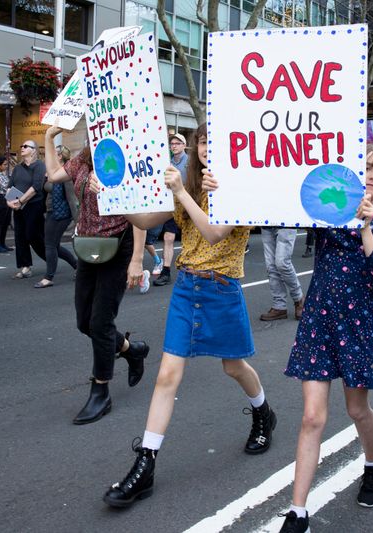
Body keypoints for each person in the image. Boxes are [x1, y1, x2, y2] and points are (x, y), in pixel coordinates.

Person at [102, 123, 277, 508]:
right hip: (187, 287)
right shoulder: (188, 185)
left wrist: (181, 190)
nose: (205, 147)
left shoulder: (243, 188)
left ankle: (264, 412)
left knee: (234, 367)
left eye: (214, 141)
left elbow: (215, 232)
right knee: (167, 375)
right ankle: (145, 464)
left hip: (222, 288)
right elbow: (149, 222)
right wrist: (115, 198)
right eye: (201, 141)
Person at [278, 143, 373, 533]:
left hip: (358, 323)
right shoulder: (327, 212)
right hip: (319, 318)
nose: (371, 177)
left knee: (356, 410)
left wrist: (364, 225)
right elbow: (286, 203)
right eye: (366, 168)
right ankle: (298, 512)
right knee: (312, 416)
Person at [43, 125, 150, 425]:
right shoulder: (83, 159)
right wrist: (49, 138)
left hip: (119, 245)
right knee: (84, 322)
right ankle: (132, 350)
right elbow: (53, 175)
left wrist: (137, 260)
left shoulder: (127, 160)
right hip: (88, 243)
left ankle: (100, 391)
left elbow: (140, 212)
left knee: (101, 322)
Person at [36, 145, 78, 288]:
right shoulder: (53, 172)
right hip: (52, 211)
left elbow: (72, 199)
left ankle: (48, 277)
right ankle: (78, 266)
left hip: (61, 214)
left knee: (50, 244)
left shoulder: (66, 173)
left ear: (59, 156)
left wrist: (78, 222)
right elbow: (46, 189)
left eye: (53, 154)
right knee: (54, 245)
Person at [152, 133, 189, 286]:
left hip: (188, 205)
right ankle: (166, 271)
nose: (174, 145)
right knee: (168, 238)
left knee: (189, 239)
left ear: (184, 145)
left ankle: (191, 269)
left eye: (178, 143)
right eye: (172, 143)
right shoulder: (167, 163)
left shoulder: (191, 162)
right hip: (171, 204)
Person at [8, 139, 46, 279]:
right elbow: (10, 186)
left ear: (34, 150)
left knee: (34, 236)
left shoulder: (39, 166)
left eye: (26, 146)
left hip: (34, 206)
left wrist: (20, 200)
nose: (22, 148)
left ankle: (52, 257)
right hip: (19, 207)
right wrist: (10, 202)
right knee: (20, 236)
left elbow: (36, 187)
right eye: (21, 145)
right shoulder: (18, 168)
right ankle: (25, 267)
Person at [259, 226, 304, 321]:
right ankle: (279, 306)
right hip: (266, 220)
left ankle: (299, 299)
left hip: (286, 220)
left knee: (282, 263)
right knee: (271, 266)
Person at [0, 155, 13, 253]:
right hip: (1, 198)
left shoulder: (4, 174)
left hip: (8, 198)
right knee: (0, 222)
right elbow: (6, 186)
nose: (6, 166)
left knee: (6, 222)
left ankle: (3, 243)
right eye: (4, 164)